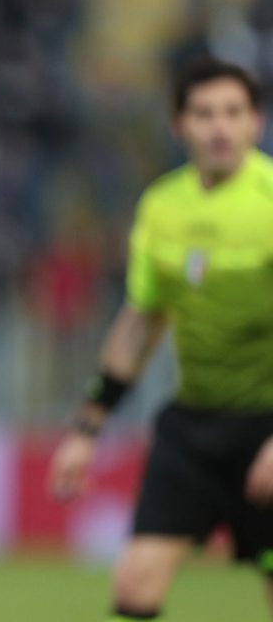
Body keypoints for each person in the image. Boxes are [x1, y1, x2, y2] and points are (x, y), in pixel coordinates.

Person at [49, 59, 273, 621]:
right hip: (194, 426)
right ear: (179, 126)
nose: (219, 127)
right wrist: (87, 427)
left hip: (267, 424)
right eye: (204, 114)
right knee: (134, 588)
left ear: (257, 122)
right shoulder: (161, 207)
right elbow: (141, 323)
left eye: (233, 113)